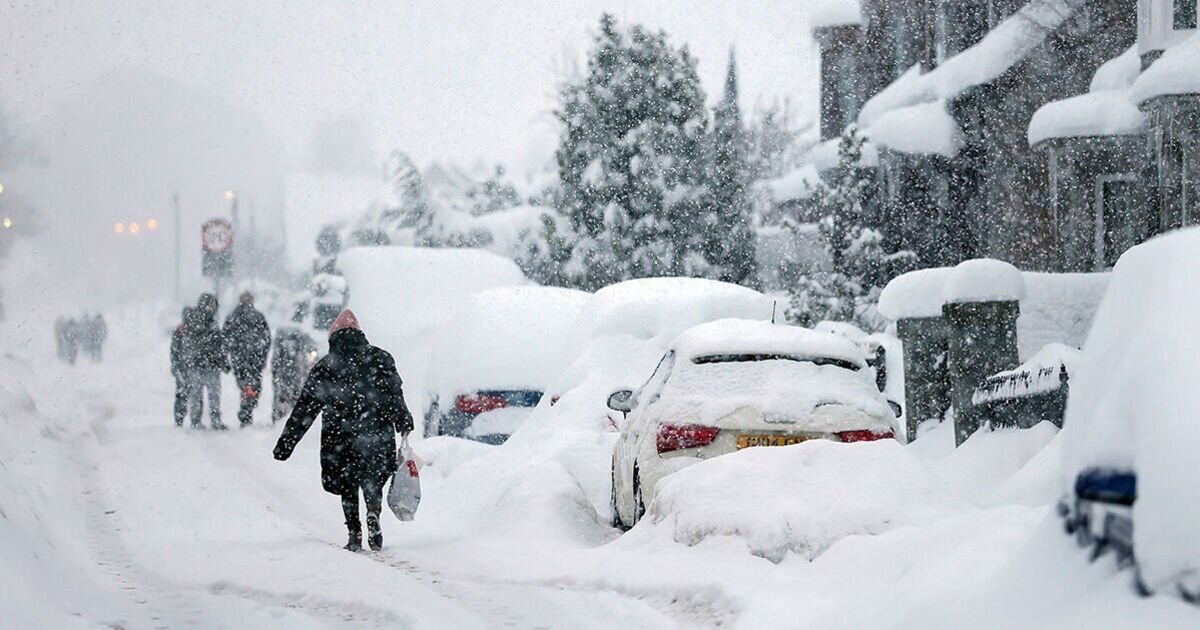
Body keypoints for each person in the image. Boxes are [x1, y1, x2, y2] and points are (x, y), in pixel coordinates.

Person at [273, 309, 414, 552]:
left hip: (340, 436)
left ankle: (354, 531)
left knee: (348, 483)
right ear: (360, 334)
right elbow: (394, 394)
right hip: (376, 432)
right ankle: (373, 513)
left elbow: (305, 409)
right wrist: (403, 420)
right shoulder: (380, 358)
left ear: (333, 339)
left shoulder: (326, 366)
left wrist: (286, 444)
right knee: (372, 478)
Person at [223, 292, 271, 427]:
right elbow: (266, 338)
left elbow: (225, 338)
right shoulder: (258, 316)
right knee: (253, 386)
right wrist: (262, 355)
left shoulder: (233, 317)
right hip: (254, 359)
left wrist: (228, 354)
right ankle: (246, 410)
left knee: (245, 385)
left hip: (240, 358)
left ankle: (246, 409)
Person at [183, 293, 229, 430]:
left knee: (196, 395)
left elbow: (187, 343)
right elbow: (218, 344)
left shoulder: (192, 319)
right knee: (213, 395)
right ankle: (214, 420)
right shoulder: (209, 322)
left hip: (196, 364)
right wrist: (222, 361)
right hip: (209, 365)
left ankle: (196, 420)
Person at [270, 312, 318, 424]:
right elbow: (310, 348)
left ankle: (279, 416)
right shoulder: (300, 333)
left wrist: (275, 367)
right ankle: (295, 418)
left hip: (285, 370)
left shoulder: (282, 332)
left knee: (281, 393)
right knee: (296, 394)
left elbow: (276, 355)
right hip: (296, 370)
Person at [170, 307, 193, 427]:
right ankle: (181, 419)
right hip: (185, 368)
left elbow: (174, 352)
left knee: (183, 394)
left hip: (188, 367)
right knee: (184, 394)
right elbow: (174, 351)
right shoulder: (180, 332)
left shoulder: (182, 331)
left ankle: (181, 419)